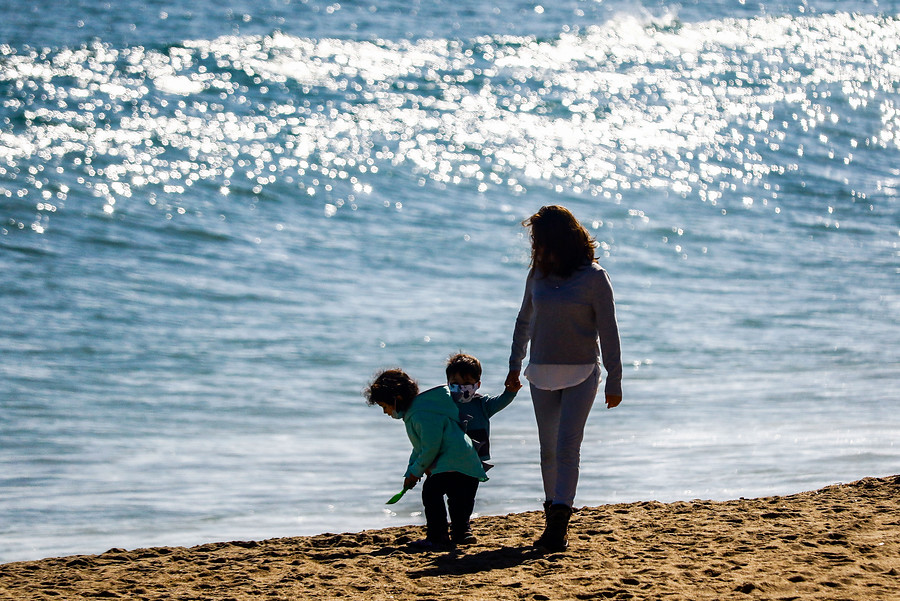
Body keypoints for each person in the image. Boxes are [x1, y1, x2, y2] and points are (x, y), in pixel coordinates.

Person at [504, 205, 623, 552]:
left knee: (567, 446)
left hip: (582, 372)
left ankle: (558, 524)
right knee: (547, 451)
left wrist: (614, 379)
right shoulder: (537, 275)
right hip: (540, 372)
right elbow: (523, 321)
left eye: (539, 239)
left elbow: (609, 331)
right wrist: (515, 364)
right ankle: (551, 512)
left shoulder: (594, 277)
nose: (534, 245)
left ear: (556, 239)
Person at [365, 368, 488, 549]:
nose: (385, 412)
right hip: (468, 463)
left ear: (397, 399)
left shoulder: (419, 415)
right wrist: (411, 471)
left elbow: (431, 447)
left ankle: (437, 537)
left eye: (385, 406)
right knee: (459, 499)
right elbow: (420, 449)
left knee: (431, 493)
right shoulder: (424, 408)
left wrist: (416, 472)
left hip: (451, 464)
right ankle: (462, 533)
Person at [445, 352, 522, 470]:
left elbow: (502, 401)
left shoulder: (482, 405)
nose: (461, 387)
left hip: (473, 463)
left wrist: (511, 391)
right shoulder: (444, 405)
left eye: (466, 383)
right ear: (448, 383)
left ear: (477, 385)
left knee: (466, 488)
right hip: (446, 461)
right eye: (455, 383)